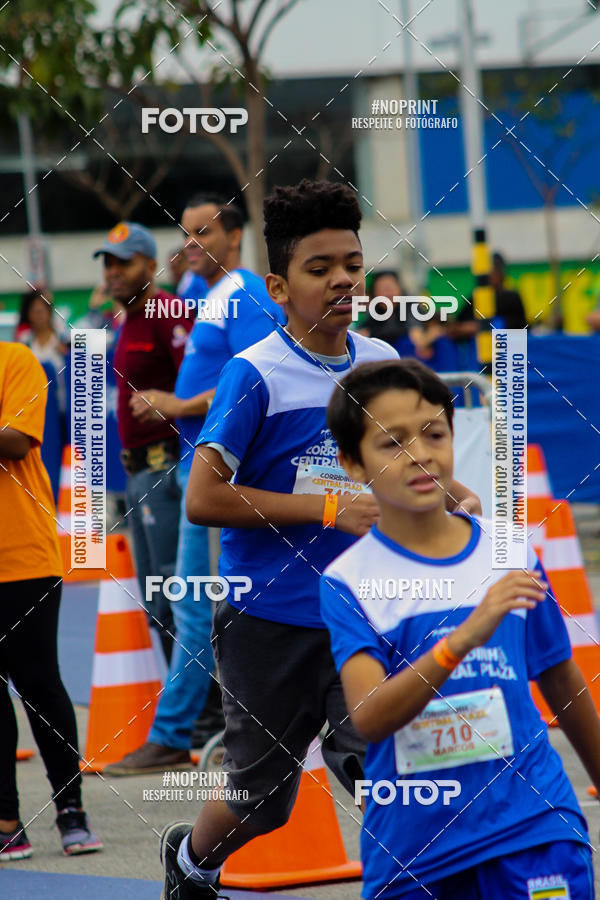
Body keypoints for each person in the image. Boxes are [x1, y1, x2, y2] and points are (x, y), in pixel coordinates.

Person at [158, 179, 481, 898]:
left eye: (353, 265)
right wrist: (326, 509)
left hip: (364, 613)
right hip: (267, 619)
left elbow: (407, 457)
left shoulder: (378, 363)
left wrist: (454, 494)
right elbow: (204, 498)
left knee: (383, 766)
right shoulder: (254, 375)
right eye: (319, 267)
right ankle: (191, 861)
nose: (342, 280)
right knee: (261, 800)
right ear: (278, 286)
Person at [320, 357, 600, 899]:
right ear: (352, 464)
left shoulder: (509, 549)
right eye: (392, 442)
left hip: (534, 828)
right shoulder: (349, 581)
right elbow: (369, 716)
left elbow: (560, 676)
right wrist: (463, 638)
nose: (420, 454)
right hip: (416, 852)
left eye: (434, 434)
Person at [106, 196, 284, 775]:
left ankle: (179, 732)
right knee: (197, 603)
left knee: (195, 603)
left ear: (235, 235)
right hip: (194, 466)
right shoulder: (204, 296)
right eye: (185, 233)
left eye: (203, 232)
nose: (190, 243)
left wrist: (178, 404)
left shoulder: (245, 293)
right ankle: (211, 728)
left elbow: (261, 377)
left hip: (214, 469)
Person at [0, 342, 102, 860]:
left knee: (39, 683)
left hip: (22, 557)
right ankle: (6, 819)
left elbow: (17, 441)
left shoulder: (14, 359)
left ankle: (71, 809)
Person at [93, 221, 193, 664]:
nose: (112, 272)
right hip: (141, 476)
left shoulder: (166, 311)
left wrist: (171, 405)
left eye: (124, 262)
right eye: (108, 263)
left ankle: (203, 703)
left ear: (151, 266)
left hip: (165, 472)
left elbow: (202, 385)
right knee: (159, 602)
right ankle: (188, 700)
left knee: (174, 596)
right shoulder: (130, 318)